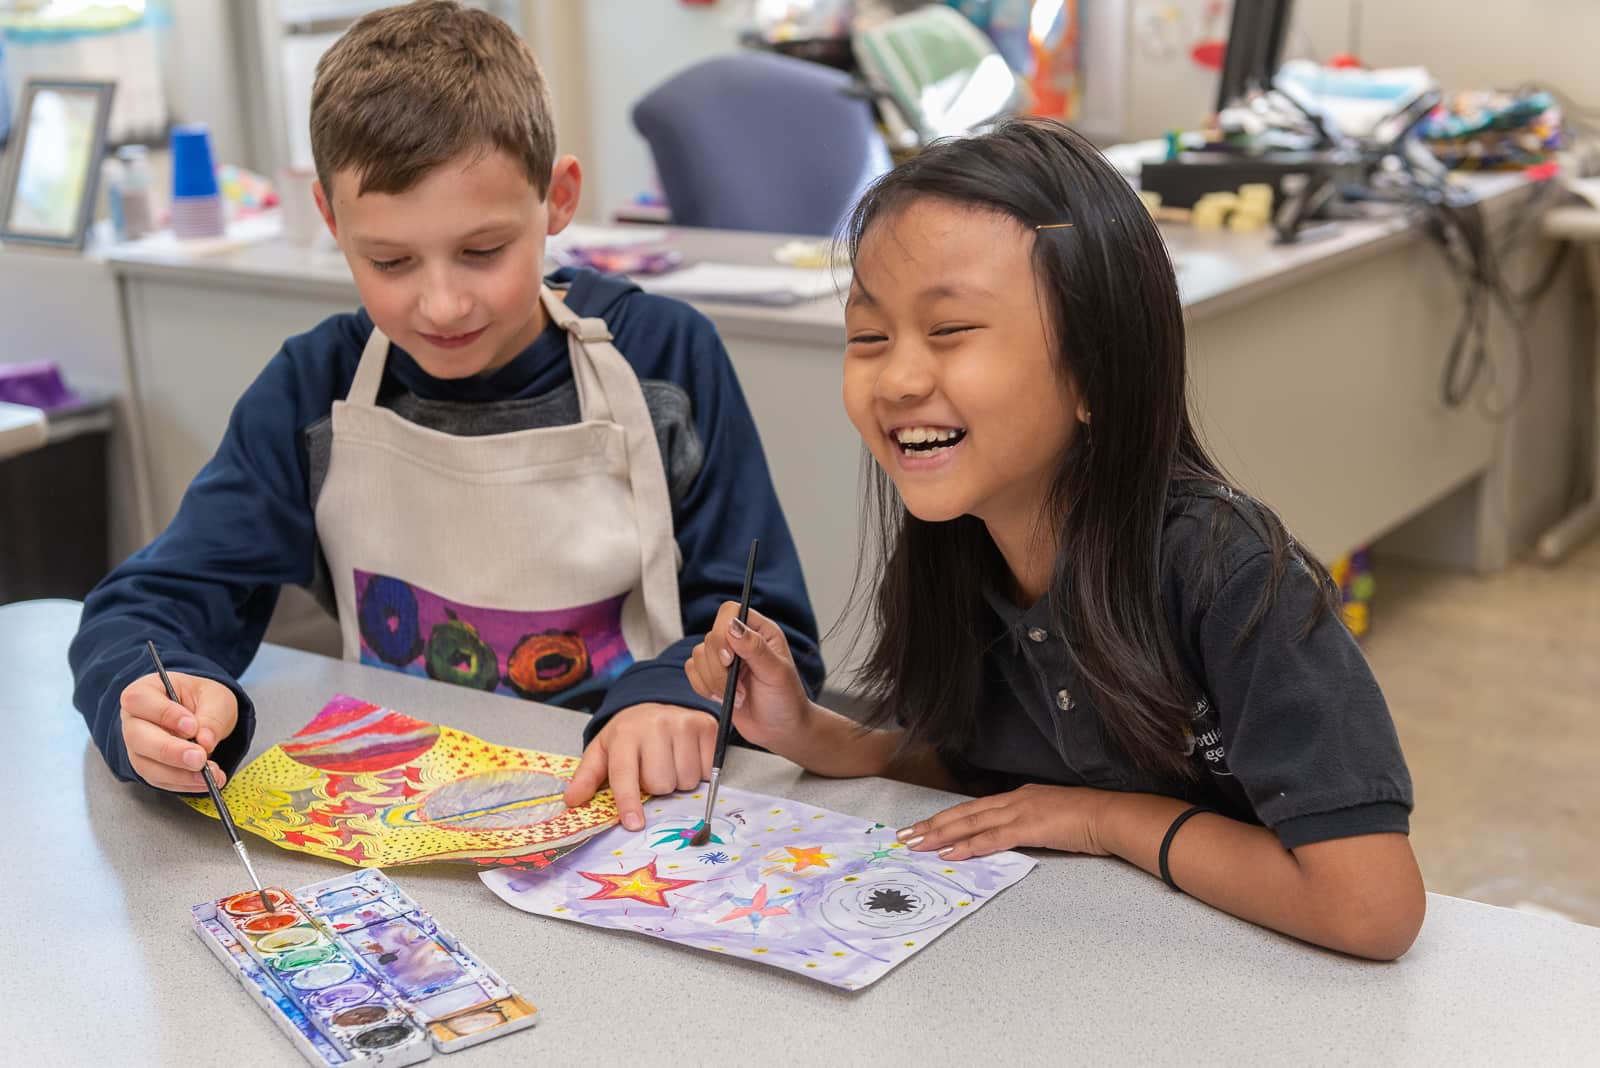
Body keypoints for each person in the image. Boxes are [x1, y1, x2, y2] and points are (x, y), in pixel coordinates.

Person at [69, 0, 822, 832]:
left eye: (482, 251)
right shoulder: (313, 389)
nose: (442, 303)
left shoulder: (664, 360)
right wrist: (154, 695)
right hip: (401, 820)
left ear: (558, 198)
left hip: (631, 816)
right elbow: (147, 605)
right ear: (331, 220)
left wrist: (673, 695)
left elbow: (772, 634)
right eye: (390, 260)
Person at [685, 118, 1423, 960]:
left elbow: (1371, 908)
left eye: (950, 331)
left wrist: (1105, 819)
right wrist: (808, 731)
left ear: (1095, 371)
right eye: (869, 338)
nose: (897, 379)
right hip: (1085, 963)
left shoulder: (1231, 575)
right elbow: (977, 775)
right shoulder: (958, 544)